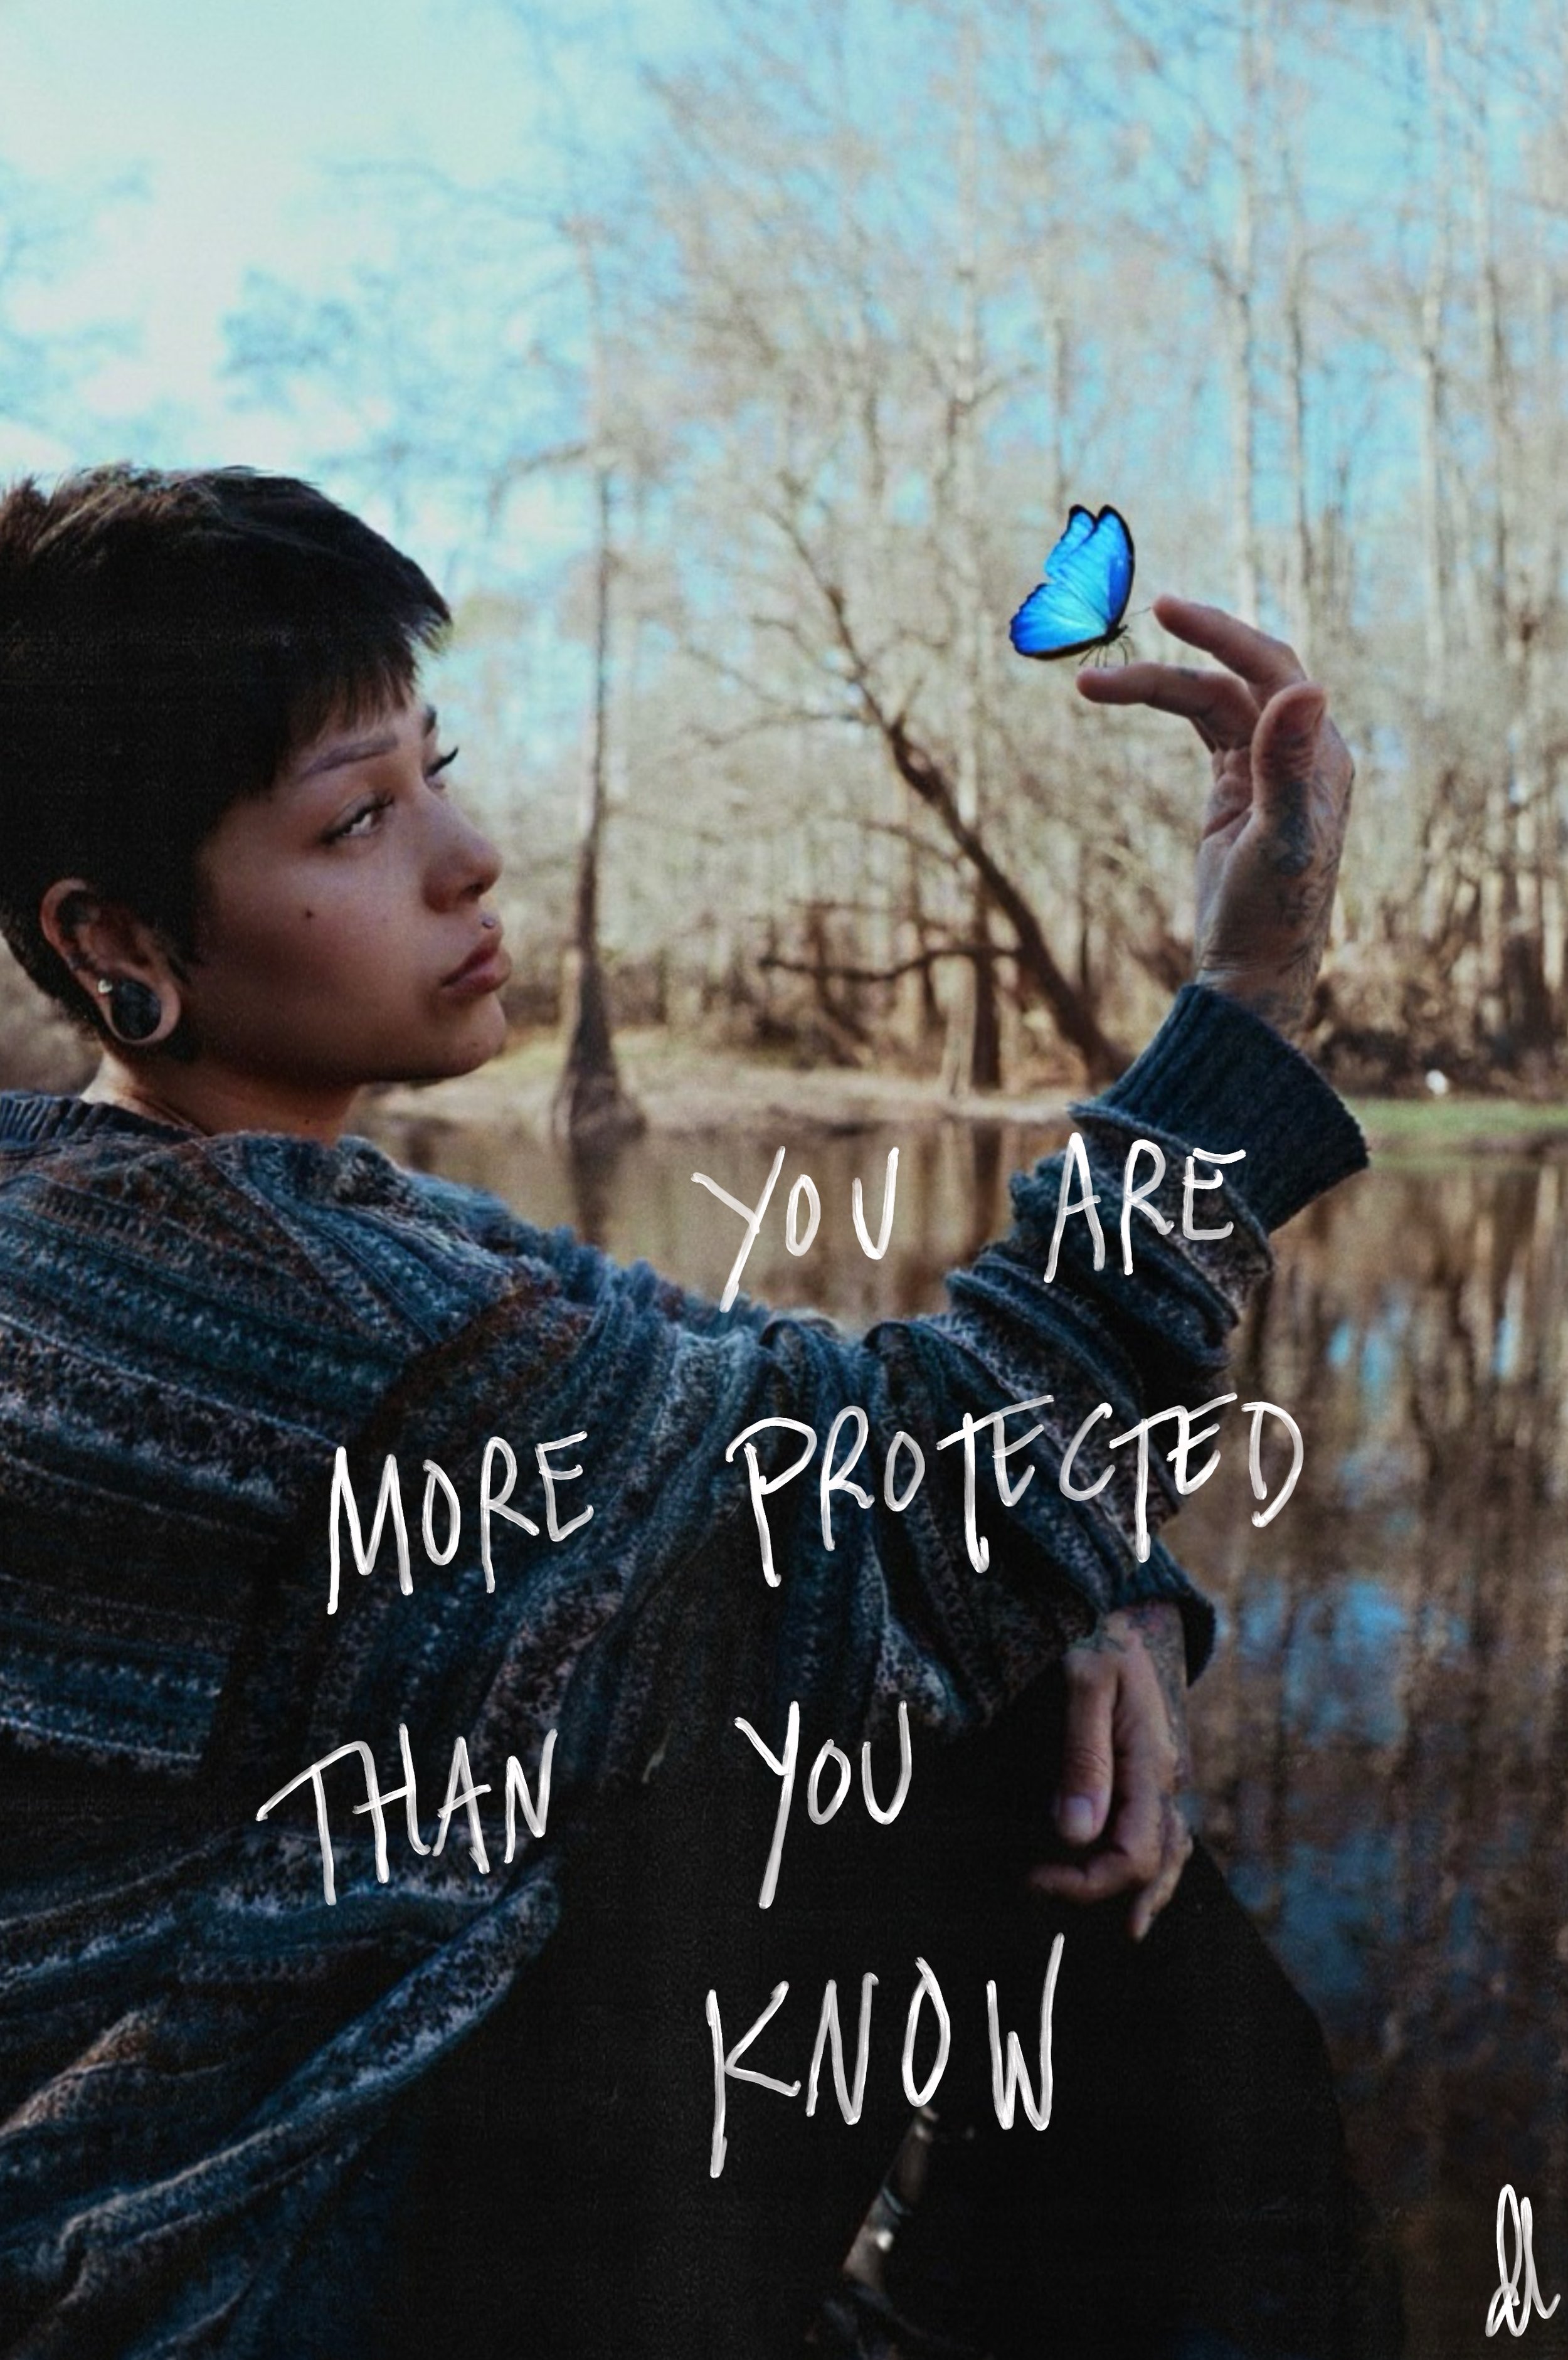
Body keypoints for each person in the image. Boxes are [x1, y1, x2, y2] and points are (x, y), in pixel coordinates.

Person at [0, 466, 1382, 2359]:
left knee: (916, 1666)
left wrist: (1098, 1587)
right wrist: (1249, 985)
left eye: (439, 764)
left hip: (235, 2180)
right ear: (115, 941)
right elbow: (907, 1478)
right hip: (246, 2267)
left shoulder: (163, 1216)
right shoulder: (265, 1300)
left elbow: (795, 1422)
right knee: (959, 1758)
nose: (470, 853)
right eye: (357, 817)